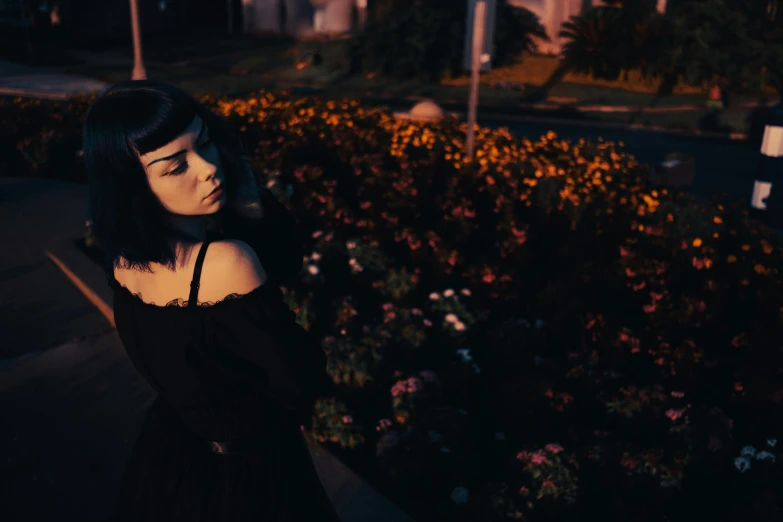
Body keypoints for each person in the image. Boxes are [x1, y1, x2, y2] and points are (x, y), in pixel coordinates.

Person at [82, 79, 341, 521]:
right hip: (248, 474)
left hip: (172, 451)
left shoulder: (124, 256)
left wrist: (251, 206)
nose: (208, 168)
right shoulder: (224, 263)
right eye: (174, 166)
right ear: (133, 186)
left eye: (205, 143)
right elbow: (301, 382)